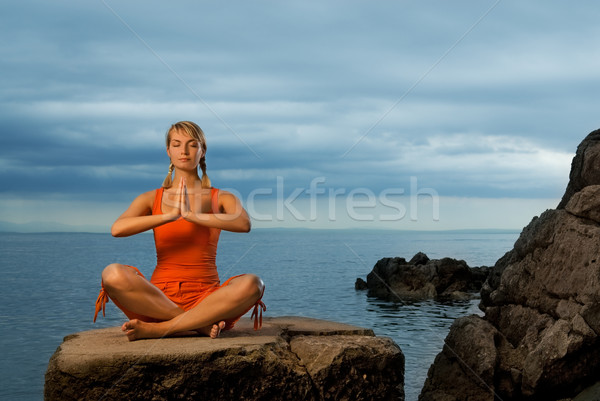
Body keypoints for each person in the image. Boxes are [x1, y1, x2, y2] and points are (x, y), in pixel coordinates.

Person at [93, 121, 265, 341]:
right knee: (112, 273)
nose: (184, 151)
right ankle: (195, 325)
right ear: (168, 151)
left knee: (253, 284)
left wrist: (192, 216)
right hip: (157, 301)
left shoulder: (222, 197)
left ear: (202, 151)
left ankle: (160, 329)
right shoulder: (150, 198)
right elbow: (117, 229)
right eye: (177, 144)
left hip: (209, 301)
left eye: (192, 145)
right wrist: (169, 216)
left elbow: (244, 224)